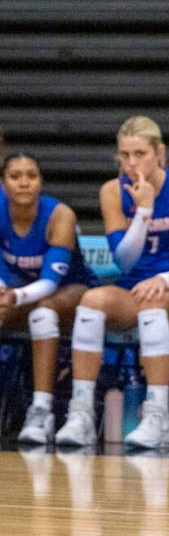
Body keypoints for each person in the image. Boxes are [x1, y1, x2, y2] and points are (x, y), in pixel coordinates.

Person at [54, 116, 169, 448]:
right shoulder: (111, 191)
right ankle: (80, 413)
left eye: (140, 153)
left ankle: (158, 415)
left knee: (152, 304)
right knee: (91, 302)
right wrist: (144, 211)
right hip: (133, 285)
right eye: (125, 155)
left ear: (159, 153)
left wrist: (163, 279)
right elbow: (124, 260)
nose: (132, 162)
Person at [0, 153, 99, 444]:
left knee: (42, 312)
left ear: (41, 182)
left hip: (69, 291)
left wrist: (14, 296)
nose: (24, 183)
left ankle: (41, 410)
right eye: (15, 176)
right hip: (18, 293)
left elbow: (50, 282)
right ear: (3, 184)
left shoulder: (60, 215)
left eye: (31, 175)